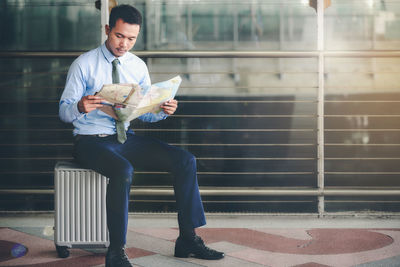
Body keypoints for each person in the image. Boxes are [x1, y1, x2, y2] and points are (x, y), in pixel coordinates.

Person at [59, 4, 224, 267]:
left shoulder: (137, 66)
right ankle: (116, 251)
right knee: (123, 170)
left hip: (125, 139)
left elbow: (144, 113)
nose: (124, 44)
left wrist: (162, 109)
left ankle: (188, 239)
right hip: (90, 141)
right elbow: (64, 113)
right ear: (107, 30)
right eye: (119, 36)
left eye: (131, 38)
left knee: (185, 160)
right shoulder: (84, 64)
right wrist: (80, 106)